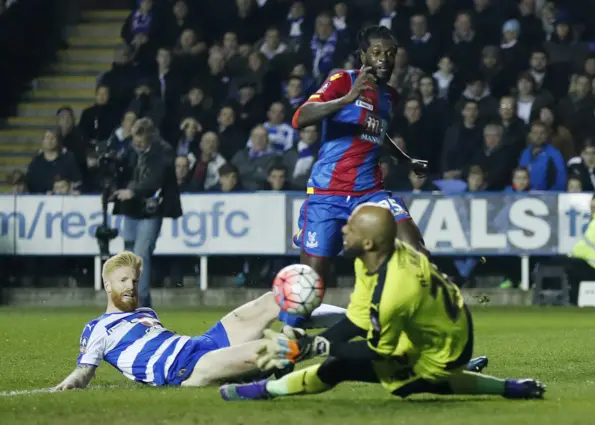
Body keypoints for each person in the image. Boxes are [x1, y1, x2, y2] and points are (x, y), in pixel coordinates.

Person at [220, 205, 545, 401]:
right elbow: (358, 321)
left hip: (444, 347)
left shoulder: (395, 290)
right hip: (440, 326)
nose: (343, 229)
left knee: (343, 368)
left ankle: (266, 390)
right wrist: (305, 344)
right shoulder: (373, 258)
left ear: (369, 241)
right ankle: (510, 388)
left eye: (350, 227)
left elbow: (376, 351)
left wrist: (310, 348)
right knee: (382, 370)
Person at [288, 26, 432, 327]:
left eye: (390, 54)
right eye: (377, 52)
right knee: (309, 293)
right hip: (329, 193)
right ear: (363, 55)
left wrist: (406, 160)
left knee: (417, 257)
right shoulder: (343, 80)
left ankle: (416, 337)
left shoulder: (389, 96)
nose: (384, 59)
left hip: (370, 193)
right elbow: (300, 117)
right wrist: (346, 99)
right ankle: (287, 343)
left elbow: (377, 133)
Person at [53, 251, 347, 391]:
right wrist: (69, 384)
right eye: (123, 280)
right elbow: (84, 372)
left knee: (275, 297)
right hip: (187, 368)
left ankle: (354, 318)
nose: (131, 286)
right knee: (276, 348)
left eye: (134, 279)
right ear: (107, 285)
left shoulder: (146, 314)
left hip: (201, 343)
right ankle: (324, 342)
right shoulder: (97, 328)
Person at [112, 118, 182, 308]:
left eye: (141, 140)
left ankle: (141, 301)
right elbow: (121, 173)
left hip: (151, 210)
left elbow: (155, 179)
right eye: (135, 139)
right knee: (128, 253)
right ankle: (128, 299)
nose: (137, 144)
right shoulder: (129, 150)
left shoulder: (163, 151)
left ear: (150, 136)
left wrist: (133, 191)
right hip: (131, 209)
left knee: (141, 254)